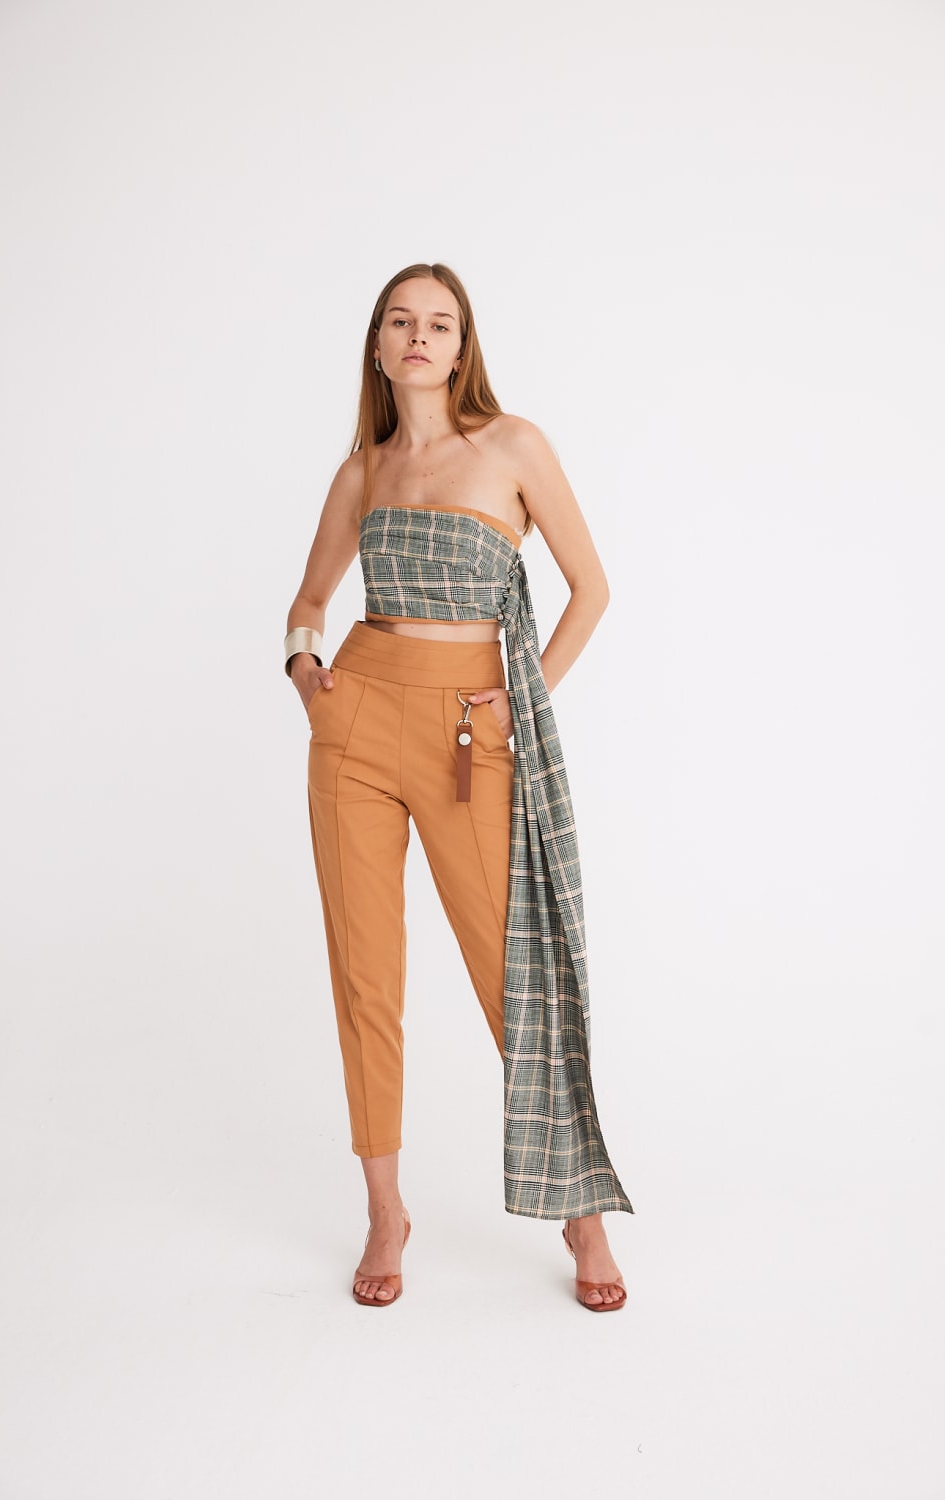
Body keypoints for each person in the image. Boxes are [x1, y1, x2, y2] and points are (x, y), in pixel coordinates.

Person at [285, 262, 633, 1311]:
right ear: (378, 345)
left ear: (462, 345)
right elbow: (309, 598)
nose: (420, 337)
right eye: (401, 321)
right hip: (356, 721)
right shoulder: (362, 471)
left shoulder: (513, 446)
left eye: (440, 323)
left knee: (512, 970)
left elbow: (591, 590)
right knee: (365, 977)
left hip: (470, 731)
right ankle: (385, 1211)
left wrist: (518, 701)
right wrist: (306, 671)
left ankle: (579, 1210)